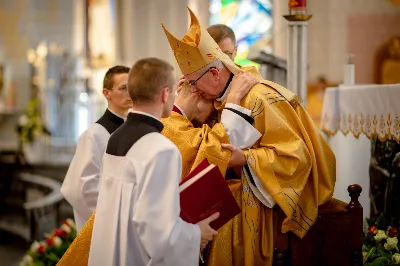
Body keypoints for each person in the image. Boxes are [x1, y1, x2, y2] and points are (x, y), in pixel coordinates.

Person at [162, 7, 336, 265]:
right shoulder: (216, 97)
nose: (192, 89)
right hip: (225, 204)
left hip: (255, 209)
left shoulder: (259, 98)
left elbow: (297, 158)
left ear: (214, 73)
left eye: (193, 81)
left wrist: (246, 159)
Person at [58, 58, 219, 266]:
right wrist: (196, 233)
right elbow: (158, 233)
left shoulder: (116, 137)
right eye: (172, 92)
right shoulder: (161, 149)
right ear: (164, 94)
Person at [60, 65, 132, 232]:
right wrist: (118, 210)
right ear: (107, 93)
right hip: (108, 225)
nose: (130, 93)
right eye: (123, 88)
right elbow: (82, 189)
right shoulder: (94, 135)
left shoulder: (133, 130)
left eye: (132, 87)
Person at [163, 74, 261, 180]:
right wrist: (234, 98)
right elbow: (216, 149)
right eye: (216, 102)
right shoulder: (169, 124)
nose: (217, 112)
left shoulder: (172, 119)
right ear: (199, 92)